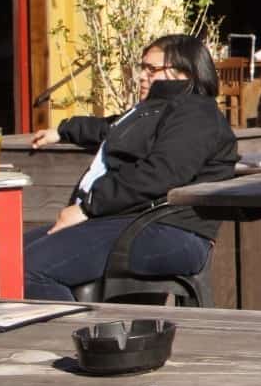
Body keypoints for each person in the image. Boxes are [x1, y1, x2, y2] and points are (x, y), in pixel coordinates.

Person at [23, 35, 240, 301]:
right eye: (142, 67)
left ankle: (76, 339)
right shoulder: (155, 111)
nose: (141, 76)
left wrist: (87, 208)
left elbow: (160, 173)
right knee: (7, 255)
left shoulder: (197, 115)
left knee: (28, 268)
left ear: (186, 73)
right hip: (131, 221)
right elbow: (111, 129)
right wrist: (62, 131)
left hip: (171, 230)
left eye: (151, 69)